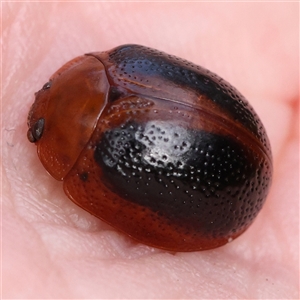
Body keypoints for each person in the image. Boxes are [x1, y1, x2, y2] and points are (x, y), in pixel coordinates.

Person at [2, 2, 299, 298]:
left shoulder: (93, 168)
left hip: (229, 198)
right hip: (237, 158)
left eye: (38, 129)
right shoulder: (120, 65)